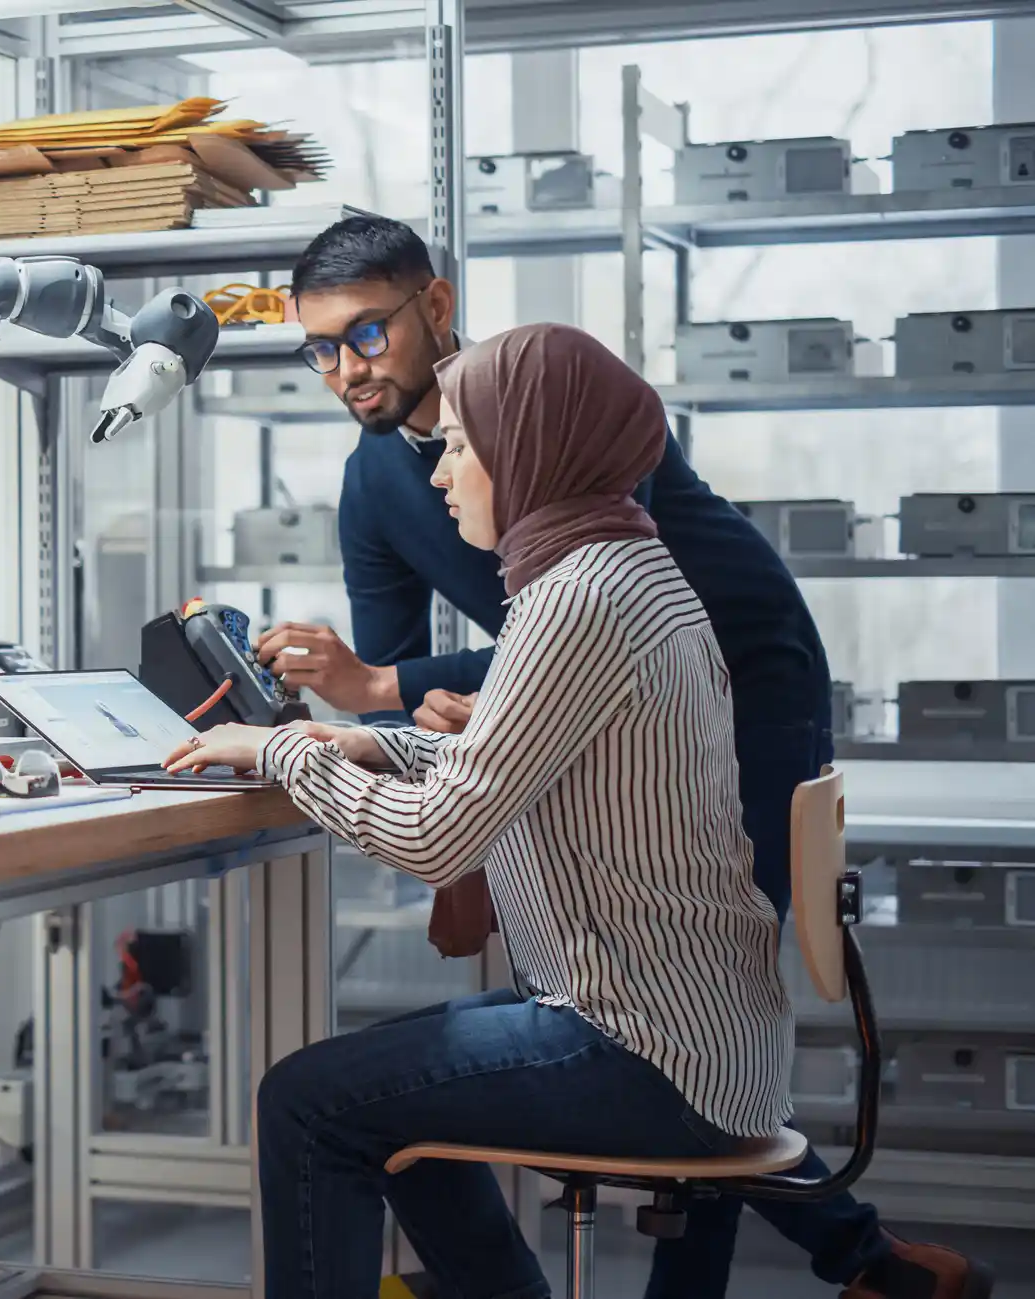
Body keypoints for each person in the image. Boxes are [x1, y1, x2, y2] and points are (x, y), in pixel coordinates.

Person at [242, 216, 990, 1298]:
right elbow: (467, 693)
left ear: (433, 309)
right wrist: (424, 799)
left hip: (749, 688)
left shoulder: (547, 407)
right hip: (575, 719)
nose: (344, 369)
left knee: (681, 1008)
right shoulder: (378, 483)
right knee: (643, 1020)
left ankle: (770, 1272)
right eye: (317, 348)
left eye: (364, 334)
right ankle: (860, 1256)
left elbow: (556, 636)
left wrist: (357, 730)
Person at [169, 322, 799, 1298]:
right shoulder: (621, 572)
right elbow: (520, 764)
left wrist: (284, 748)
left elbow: (436, 836)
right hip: (699, 1034)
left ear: (534, 450)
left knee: (308, 1101)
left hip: (647, 1052)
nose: (439, 475)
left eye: (462, 446)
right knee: (391, 1093)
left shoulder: (570, 603)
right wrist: (373, 741)